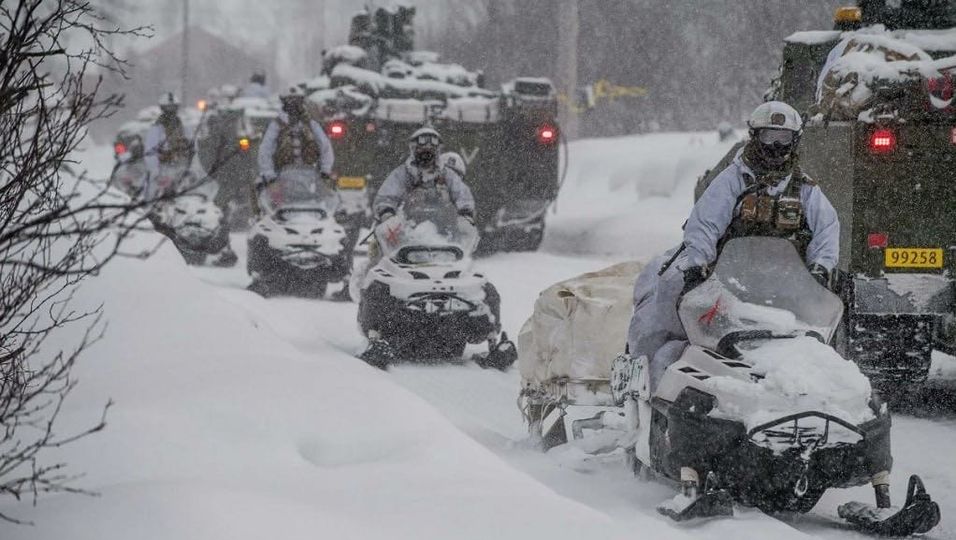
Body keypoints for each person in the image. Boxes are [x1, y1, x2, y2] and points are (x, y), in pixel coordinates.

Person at [626, 100, 839, 507]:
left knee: (816, 351)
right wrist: (698, 265)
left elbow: (828, 232)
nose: (775, 147)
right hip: (727, 282)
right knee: (666, 305)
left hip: (784, 289)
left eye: (784, 139)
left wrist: (821, 272)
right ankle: (649, 394)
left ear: (795, 141)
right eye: (768, 138)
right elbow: (705, 224)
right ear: (754, 137)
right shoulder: (731, 181)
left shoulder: (807, 190)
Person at [374, 127, 475, 223]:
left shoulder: (447, 174)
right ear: (413, 148)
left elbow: (463, 195)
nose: (427, 150)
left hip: (445, 234)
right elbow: (386, 196)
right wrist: (387, 213)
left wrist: (465, 214)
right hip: (406, 231)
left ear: (437, 150)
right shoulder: (402, 173)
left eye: (432, 148)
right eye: (422, 147)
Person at [256, 85, 335, 205]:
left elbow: (325, 147)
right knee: (259, 195)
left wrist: (325, 171)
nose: (293, 105)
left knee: (328, 198)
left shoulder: (311, 125)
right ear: (284, 102)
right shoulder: (276, 125)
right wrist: (270, 177)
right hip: (282, 179)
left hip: (310, 179)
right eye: (290, 101)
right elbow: (265, 151)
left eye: (297, 101)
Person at [143, 92, 194, 201]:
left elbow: (191, 146)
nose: (171, 111)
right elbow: (150, 151)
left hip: (181, 167)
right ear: (163, 108)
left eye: (173, 107)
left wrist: (191, 166)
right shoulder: (156, 128)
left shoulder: (183, 125)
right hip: (163, 169)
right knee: (153, 195)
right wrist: (155, 171)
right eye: (168, 107)